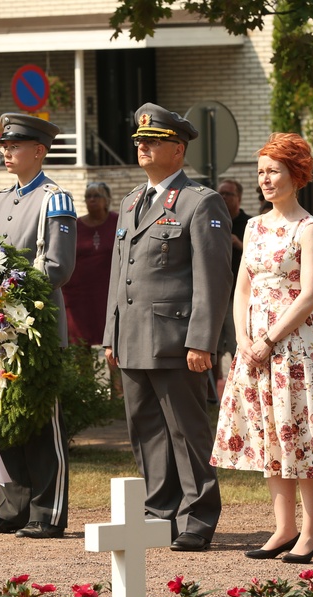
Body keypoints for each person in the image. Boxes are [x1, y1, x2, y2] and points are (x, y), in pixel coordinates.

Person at [211, 132, 313, 564]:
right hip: (255, 350)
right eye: (260, 172)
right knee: (270, 437)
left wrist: (268, 339)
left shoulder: (309, 228)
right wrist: (243, 340)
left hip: (296, 351)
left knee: (304, 437)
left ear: (296, 174)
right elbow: (242, 288)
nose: (265, 180)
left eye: (273, 171)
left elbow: (310, 295)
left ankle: (310, 534)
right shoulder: (253, 226)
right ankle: (283, 528)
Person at [103, 103, 232, 552]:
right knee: (146, 430)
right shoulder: (132, 201)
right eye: (139, 141)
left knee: (185, 429)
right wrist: (110, 334)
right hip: (132, 336)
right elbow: (120, 274)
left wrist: (203, 341)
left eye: (152, 141)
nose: (142, 147)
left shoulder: (201, 202)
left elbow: (213, 280)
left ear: (177, 150)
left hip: (176, 340)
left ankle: (197, 515)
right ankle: (160, 512)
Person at [0, 112, 76, 540]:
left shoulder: (56, 198)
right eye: (4, 145)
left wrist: (7, 289)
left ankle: (47, 511)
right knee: (2, 419)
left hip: (37, 327)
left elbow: (58, 266)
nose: (6, 152)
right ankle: (12, 508)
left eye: (14, 146)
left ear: (39, 150)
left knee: (40, 420)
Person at [63, 181, 118, 346]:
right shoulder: (75, 226)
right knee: (80, 343)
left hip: (108, 294)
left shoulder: (118, 222)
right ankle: (85, 373)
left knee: (113, 344)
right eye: (88, 197)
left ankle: (116, 373)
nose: (92, 200)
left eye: (97, 196)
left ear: (107, 199)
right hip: (78, 295)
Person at [215, 178, 251, 400]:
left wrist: (239, 244)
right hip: (216, 295)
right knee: (213, 349)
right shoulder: (213, 220)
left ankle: (242, 392)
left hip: (240, 296)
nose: (224, 198)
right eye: (221, 193)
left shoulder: (250, 223)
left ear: (239, 198)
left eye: (228, 194)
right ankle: (214, 394)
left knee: (238, 344)